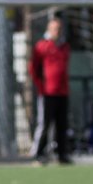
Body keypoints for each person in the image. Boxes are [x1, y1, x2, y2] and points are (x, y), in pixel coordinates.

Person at [30, 16, 72, 165]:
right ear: (49, 30)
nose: (57, 32)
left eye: (59, 29)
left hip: (62, 92)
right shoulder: (42, 46)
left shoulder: (65, 46)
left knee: (62, 125)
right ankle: (38, 154)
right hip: (47, 93)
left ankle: (62, 155)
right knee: (44, 124)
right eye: (55, 29)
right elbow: (33, 69)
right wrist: (41, 87)